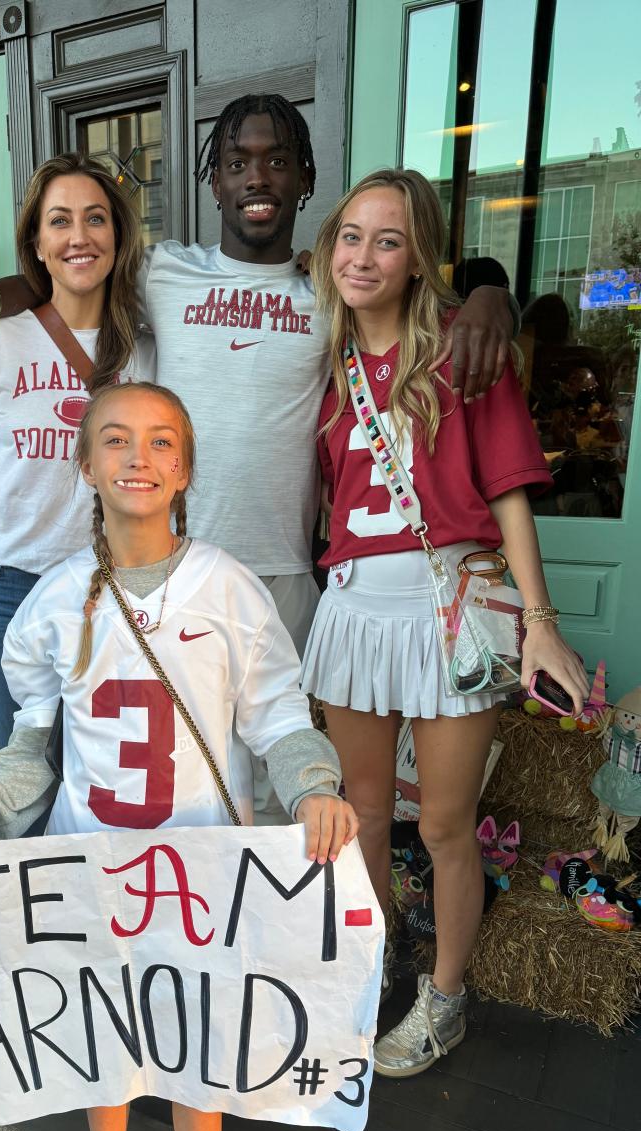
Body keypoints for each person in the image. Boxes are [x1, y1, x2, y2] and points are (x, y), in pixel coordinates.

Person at [0, 380, 358, 1131]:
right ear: (85, 463)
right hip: (93, 868)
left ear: (184, 469)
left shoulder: (228, 589)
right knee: (100, 1039)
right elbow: (30, 755)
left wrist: (313, 790)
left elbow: (280, 720)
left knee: (198, 1050)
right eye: (115, 440)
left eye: (160, 442)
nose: (137, 457)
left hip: (203, 879)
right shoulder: (57, 603)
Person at [0, 95, 516, 666]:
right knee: (179, 753)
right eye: (237, 164)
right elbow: (66, 274)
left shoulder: (333, 291)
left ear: (305, 179)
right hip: (172, 561)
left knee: (278, 748)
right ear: (215, 183)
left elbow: (415, 303)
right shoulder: (165, 273)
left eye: (277, 162)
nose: (257, 178)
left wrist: (492, 297)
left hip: (285, 568)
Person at [299, 169, 589, 1078]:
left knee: (445, 828)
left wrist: (539, 624)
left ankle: (447, 998)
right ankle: (376, 963)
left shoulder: (467, 355)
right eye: (351, 235)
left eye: (387, 240)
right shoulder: (322, 362)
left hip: (445, 608)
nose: (363, 255)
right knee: (367, 818)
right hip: (351, 609)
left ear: (421, 257)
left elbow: (507, 491)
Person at [0, 154, 151, 756]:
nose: (79, 236)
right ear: (38, 242)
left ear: (118, 237)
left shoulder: (145, 349)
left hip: (98, 586)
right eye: (60, 221)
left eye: (96, 219)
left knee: (99, 766)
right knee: (20, 770)